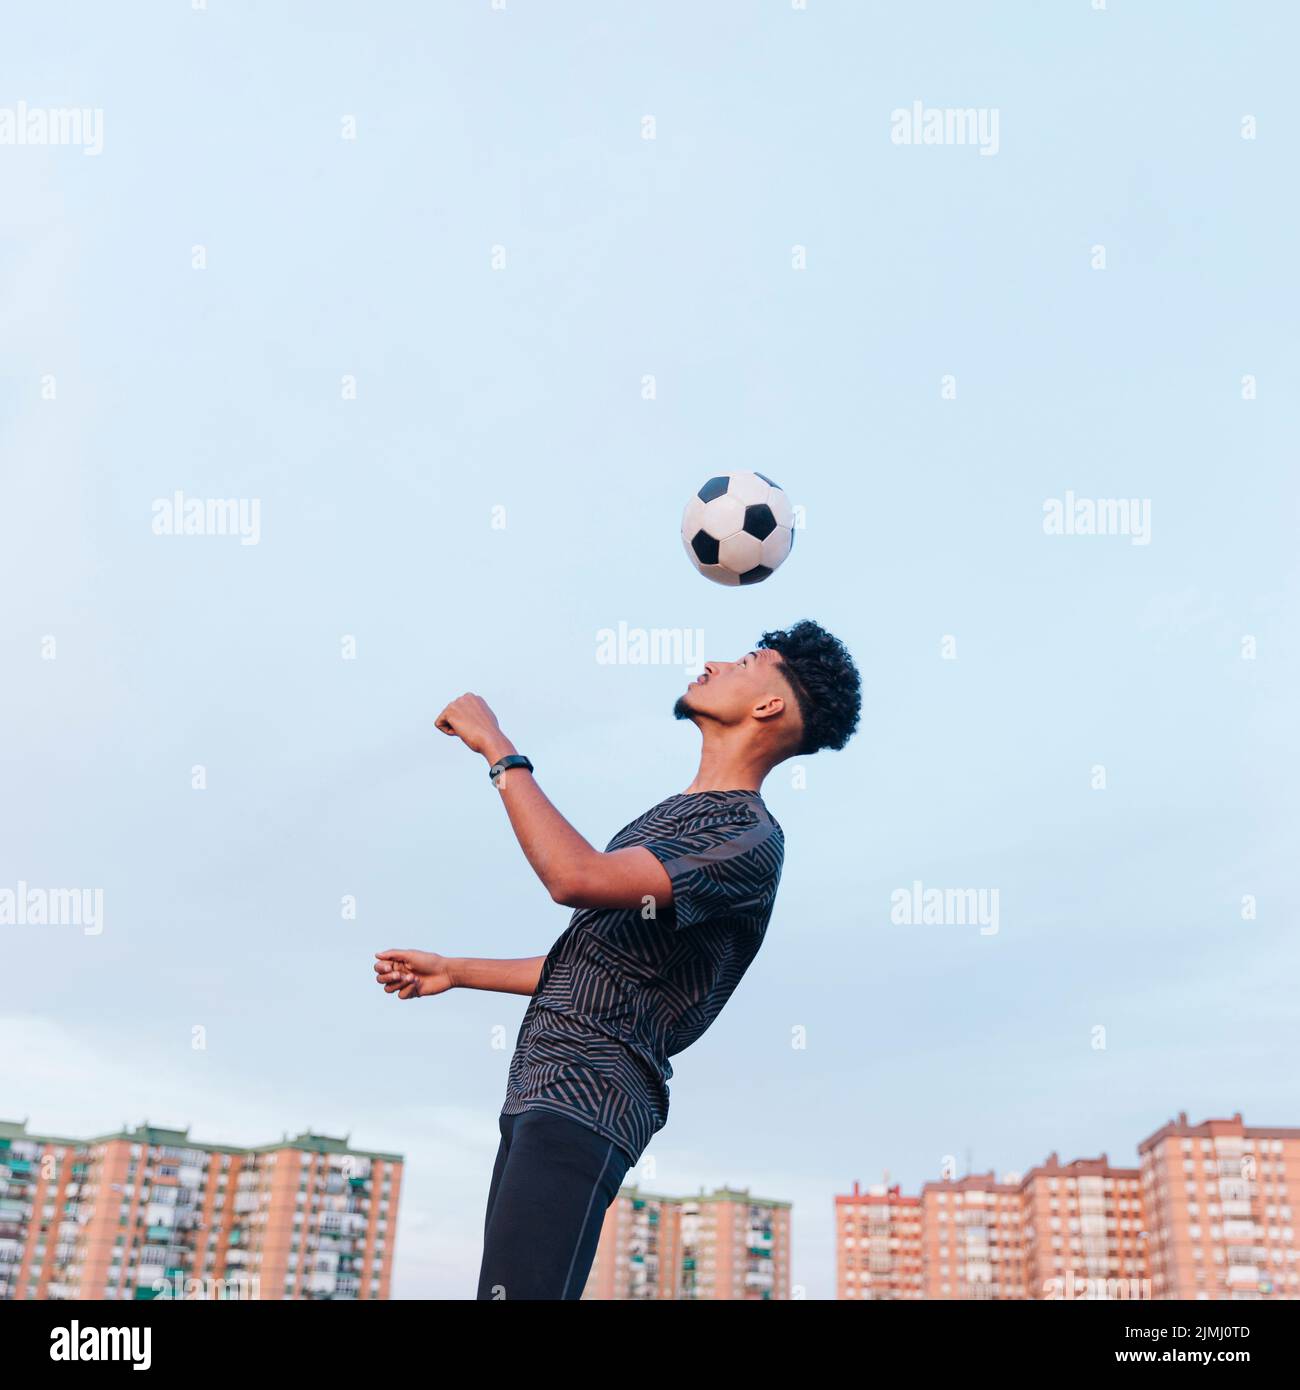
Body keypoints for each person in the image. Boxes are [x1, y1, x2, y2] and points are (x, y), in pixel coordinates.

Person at [374, 619, 861, 1300]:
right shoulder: (675, 814)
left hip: (592, 1094)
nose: (716, 661)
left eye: (746, 660)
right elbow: (596, 966)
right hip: (539, 1087)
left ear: (769, 705)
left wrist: (499, 749)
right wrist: (456, 970)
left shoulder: (748, 837)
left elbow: (570, 876)